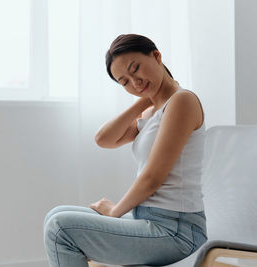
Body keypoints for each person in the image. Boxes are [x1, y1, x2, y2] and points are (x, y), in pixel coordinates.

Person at [43, 34, 207, 267]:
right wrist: (145, 99)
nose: (135, 82)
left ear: (156, 56)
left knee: (60, 229)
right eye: (125, 82)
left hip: (177, 230)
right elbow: (103, 139)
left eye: (136, 69)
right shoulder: (152, 111)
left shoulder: (182, 102)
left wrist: (115, 212)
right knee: (55, 215)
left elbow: (153, 178)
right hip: (149, 219)